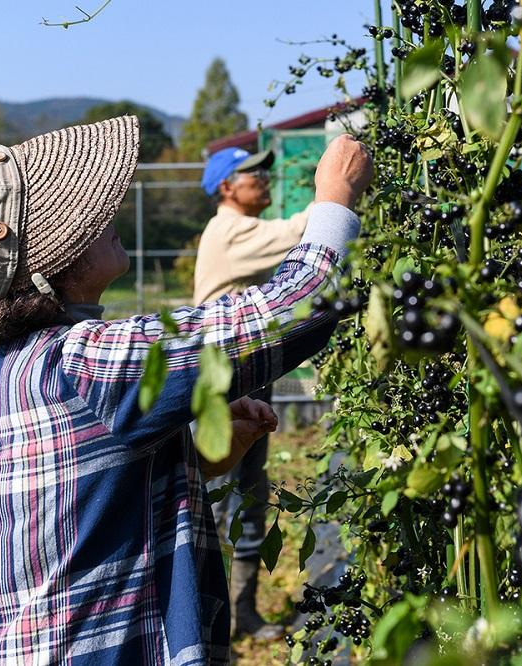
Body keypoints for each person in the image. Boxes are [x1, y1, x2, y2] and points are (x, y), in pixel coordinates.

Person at [0, 116, 372, 665]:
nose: (108, 213)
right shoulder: (80, 362)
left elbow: (71, 510)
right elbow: (289, 309)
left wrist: (195, 463)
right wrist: (336, 199)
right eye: (77, 212)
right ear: (41, 259)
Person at [194, 145, 316, 640]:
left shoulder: (238, 229)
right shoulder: (230, 230)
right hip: (223, 374)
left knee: (249, 487)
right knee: (225, 494)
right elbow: (298, 233)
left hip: (243, 370)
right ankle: (215, 618)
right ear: (227, 188)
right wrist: (338, 193)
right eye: (252, 175)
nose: (263, 181)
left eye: (264, 172)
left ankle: (239, 612)